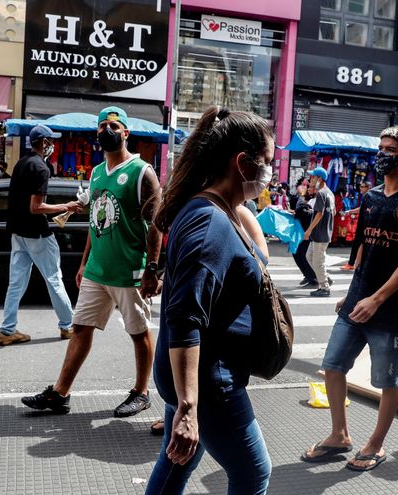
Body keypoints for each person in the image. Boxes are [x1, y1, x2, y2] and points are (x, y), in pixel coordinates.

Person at [145, 106, 274, 494]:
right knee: (253, 472)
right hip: (210, 379)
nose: (270, 172)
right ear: (242, 163)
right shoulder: (209, 220)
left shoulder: (222, 210)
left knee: (177, 463)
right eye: (267, 162)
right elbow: (185, 315)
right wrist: (188, 407)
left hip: (199, 374)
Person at [302, 126, 398, 471]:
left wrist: (377, 299)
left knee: (386, 381)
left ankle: (375, 444)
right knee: (333, 367)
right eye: (380, 147)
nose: (381, 154)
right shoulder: (372, 196)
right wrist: (352, 293)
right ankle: (339, 434)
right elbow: (362, 248)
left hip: (390, 310)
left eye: (389, 149)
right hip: (356, 303)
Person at [21, 106, 163, 418]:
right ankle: (60, 393)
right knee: (80, 328)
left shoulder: (142, 172)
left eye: (114, 126)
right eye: (102, 127)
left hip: (130, 270)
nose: (107, 131)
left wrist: (152, 269)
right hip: (97, 270)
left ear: (126, 133)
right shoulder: (97, 172)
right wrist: (85, 262)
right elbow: (95, 221)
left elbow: (156, 224)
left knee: (138, 332)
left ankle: (141, 392)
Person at [0, 125, 83, 346]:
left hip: (18, 232)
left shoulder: (21, 163)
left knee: (16, 283)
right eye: (50, 141)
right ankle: (68, 325)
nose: (52, 145)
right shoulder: (41, 168)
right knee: (54, 279)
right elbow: (36, 207)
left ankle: (7, 330)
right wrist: (67, 206)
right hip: (37, 233)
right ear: (44, 143)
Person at [304, 167, 335, 297]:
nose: (311, 180)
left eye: (313, 177)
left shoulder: (321, 193)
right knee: (309, 256)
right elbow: (332, 212)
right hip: (322, 233)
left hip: (320, 233)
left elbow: (320, 214)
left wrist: (308, 230)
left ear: (320, 179)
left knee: (318, 261)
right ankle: (325, 277)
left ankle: (324, 287)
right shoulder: (330, 193)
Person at [342, 181, 372, 270]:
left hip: (366, 224)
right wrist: (350, 211)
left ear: (368, 187)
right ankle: (353, 263)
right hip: (363, 223)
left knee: (358, 244)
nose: (360, 188)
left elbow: (364, 209)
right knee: (359, 244)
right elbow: (362, 208)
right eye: (360, 186)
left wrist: (350, 211)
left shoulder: (370, 196)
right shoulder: (367, 196)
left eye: (363, 187)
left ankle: (352, 263)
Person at [293, 183, 318, 287]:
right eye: (308, 187)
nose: (308, 189)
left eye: (311, 187)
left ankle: (314, 278)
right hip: (304, 231)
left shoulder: (319, 199)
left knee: (303, 255)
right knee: (298, 253)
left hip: (311, 233)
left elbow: (317, 215)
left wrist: (309, 231)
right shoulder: (309, 199)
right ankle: (309, 275)